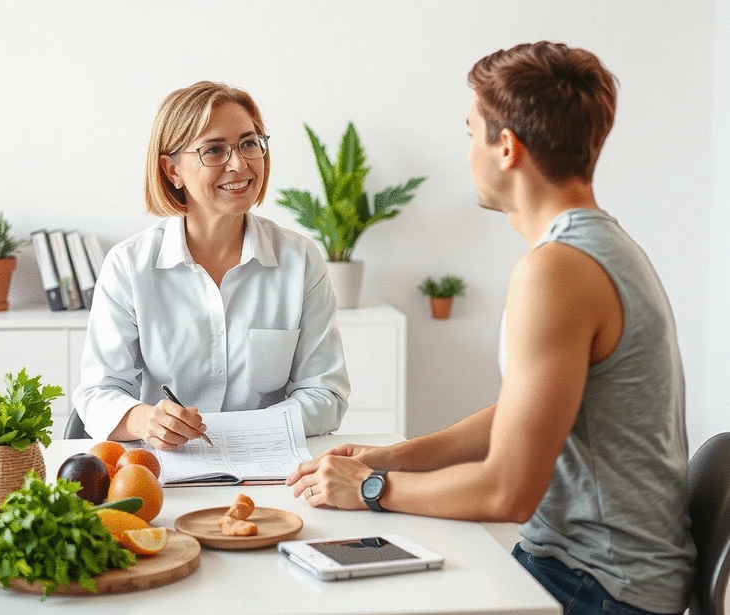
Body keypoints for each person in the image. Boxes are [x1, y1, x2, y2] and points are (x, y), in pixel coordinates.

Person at [286, 42, 696, 615]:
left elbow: (508, 491)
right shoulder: (599, 247)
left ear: (506, 148)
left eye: (471, 132)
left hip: (599, 588)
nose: (469, 152)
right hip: (587, 570)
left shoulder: (556, 270)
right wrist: (392, 459)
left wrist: (368, 489)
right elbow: (520, 414)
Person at [72, 81, 350, 450]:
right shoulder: (129, 265)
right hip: (164, 467)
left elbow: (325, 395)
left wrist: (237, 435)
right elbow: (97, 393)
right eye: (214, 150)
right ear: (172, 171)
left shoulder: (299, 260)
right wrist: (146, 420)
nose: (239, 164)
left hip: (272, 464)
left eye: (249, 143)